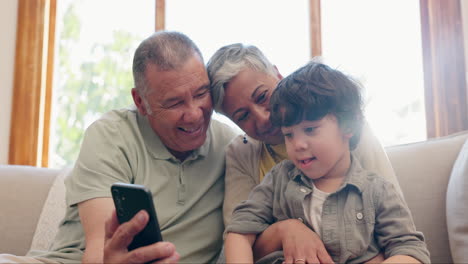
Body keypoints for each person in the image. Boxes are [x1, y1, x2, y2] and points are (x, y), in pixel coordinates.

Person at [0, 31, 239, 264]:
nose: (195, 114)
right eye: (174, 103)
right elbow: (97, 254)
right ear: (140, 102)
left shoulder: (232, 148)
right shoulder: (110, 135)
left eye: (201, 93)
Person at [207, 43, 402, 263]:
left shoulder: (349, 132)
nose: (262, 118)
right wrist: (286, 231)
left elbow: (398, 236)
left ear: (278, 75)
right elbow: (237, 235)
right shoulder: (257, 164)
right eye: (242, 116)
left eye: (262, 96)